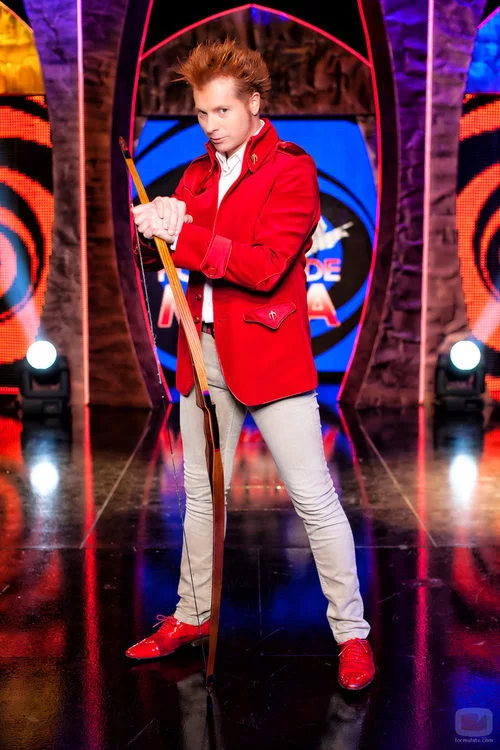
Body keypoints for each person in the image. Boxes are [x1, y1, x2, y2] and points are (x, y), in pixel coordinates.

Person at [127, 38, 375, 690]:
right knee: (201, 498)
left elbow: (264, 267)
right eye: (201, 113)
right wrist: (153, 227)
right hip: (201, 352)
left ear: (255, 105)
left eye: (222, 111)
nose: (210, 125)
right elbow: (171, 257)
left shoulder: (293, 171)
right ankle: (191, 616)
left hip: (269, 353)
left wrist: (182, 233)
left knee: (314, 498)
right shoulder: (194, 175)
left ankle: (351, 635)